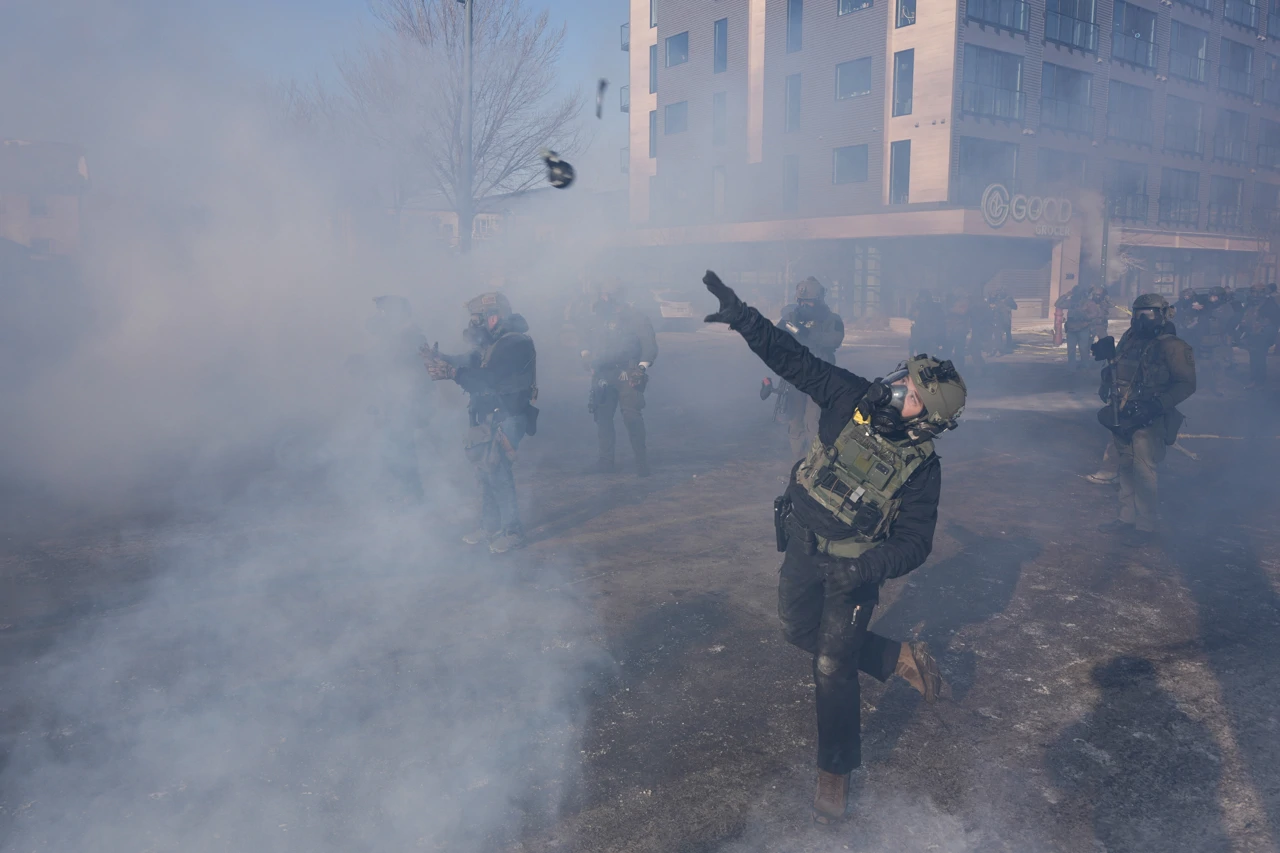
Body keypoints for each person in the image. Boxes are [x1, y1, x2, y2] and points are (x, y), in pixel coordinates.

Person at [700, 269, 966, 824]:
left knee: (831, 664)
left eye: (914, 396)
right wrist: (745, 318)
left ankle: (835, 772)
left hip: (853, 569)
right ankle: (898, 657)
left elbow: (916, 542)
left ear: (928, 422)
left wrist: (868, 567)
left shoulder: (922, 469)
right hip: (802, 540)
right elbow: (794, 361)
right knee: (796, 630)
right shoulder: (851, 397)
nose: (899, 390)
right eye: (904, 379)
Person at [421, 292, 538, 554]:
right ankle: (489, 526)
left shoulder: (514, 343)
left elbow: (488, 377)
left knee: (498, 471)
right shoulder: (492, 344)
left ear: (495, 316)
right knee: (485, 472)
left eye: (479, 318)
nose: (474, 324)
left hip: (508, 416)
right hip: (490, 415)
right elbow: (469, 361)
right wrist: (443, 358)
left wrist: (453, 374)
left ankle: (512, 530)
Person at [1096, 294, 1196, 545]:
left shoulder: (1173, 345)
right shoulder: (1130, 338)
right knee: (1126, 466)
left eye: (1148, 314)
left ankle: (1145, 526)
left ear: (1162, 315)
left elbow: (1186, 384)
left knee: (1144, 470)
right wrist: (1106, 375)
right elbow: (1120, 366)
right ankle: (1126, 518)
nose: (1141, 320)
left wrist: (1156, 406)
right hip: (1123, 412)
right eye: (1137, 313)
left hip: (1150, 416)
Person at [581, 279, 659, 476]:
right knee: (603, 419)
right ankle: (606, 462)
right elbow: (586, 341)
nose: (604, 299)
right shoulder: (597, 317)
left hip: (628, 372)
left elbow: (649, 346)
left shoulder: (636, 317)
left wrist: (641, 368)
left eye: (608, 296)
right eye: (603, 296)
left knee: (632, 416)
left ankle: (641, 463)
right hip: (603, 373)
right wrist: (585, 357)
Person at [362, 295, 431, 502]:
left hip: (404, 404)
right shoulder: (393, 336)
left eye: (385, 312)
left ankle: (412, 497)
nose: (381, 316)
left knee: (402, 451)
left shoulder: (412, 336)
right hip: (392, 403)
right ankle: (405, 495)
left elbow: (418, 373)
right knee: (391, 451)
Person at [778, 277, 846, 457]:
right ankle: (798, 457)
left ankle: (815, 459)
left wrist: (808, 333)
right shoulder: (793, 317)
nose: (805, 306)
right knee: (795, 418)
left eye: (809, 302)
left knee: (814, 419)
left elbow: (834, 340)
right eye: (801, 302)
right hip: (796, 376)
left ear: (819, 301)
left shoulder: (832, 319)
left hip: (820, 377)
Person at [1236, 281, 1280, 388]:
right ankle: (1255, 380)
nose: (1255, 295)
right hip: (1252, 335)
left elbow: (1275, 321)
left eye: (1257, 292)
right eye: (1253, 292)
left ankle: (1259, 381)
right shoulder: (1251, 303)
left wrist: (1265, 328)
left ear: (1263, 293)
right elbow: (1245, 316)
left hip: (1263, 336)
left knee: (1259, 359)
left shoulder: (1270, 304)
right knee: (1254, 358)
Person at [1197, 286, 1239, 394]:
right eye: (1211, 296)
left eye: (1215, 297)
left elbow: (1226, 321)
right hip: (1205, 338)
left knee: (1218, 364)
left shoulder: (1226, 308)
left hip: (1219, 338)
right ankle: (1206, 385)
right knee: (1204, 364)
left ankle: (1219, 387)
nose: (1212, 299)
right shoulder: (1207, 306)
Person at [909, 289, 946, 357]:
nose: (921, 300)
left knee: (925, 354)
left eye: (922, 298)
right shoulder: (919, 306)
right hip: (925, 334)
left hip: (929, 336)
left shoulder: (933, 307)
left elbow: (941, 320)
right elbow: (911, 316)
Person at [943, 293, 971, 369]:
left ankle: (960, 369)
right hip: (950, 331)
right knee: (947, 351)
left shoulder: (964, 302)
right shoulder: (951, 302)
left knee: (959, 352)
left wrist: (952, 309)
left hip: (959, 331)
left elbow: (963, 312)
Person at [988, 288, 1018, 353]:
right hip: (999, 319)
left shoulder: (1008, 299)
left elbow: (1015, 307)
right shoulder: (996, 299)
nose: (999, 294)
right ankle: (1000, 347)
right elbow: (991, 304)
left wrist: (1008, 307)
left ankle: (1008, 345)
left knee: (1007, 332)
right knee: (998, 333)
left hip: (1006, 318)